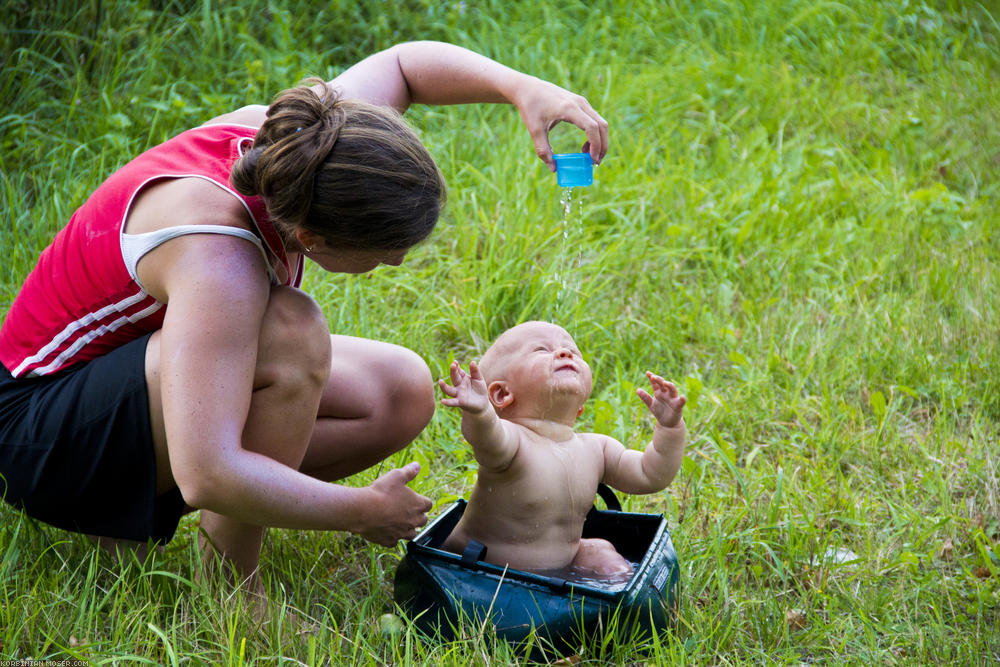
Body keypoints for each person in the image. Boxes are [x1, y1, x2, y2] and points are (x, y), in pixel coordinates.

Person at [0, 42, 609, 593]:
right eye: (383, 253)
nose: (394, 262)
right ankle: (231, 591)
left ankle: (139, 505)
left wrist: (522, 87)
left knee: (398, 391)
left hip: (122, 384)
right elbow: (208, 474)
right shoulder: (219, 258)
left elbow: (403, 64)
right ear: (309, 235)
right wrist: (360, 510)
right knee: (292, 333)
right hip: (38, 436)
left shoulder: (312, 145)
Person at [438, 321, 686, 578]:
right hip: (484, 575)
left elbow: (650, 474)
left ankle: (618, 603)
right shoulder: (512, 440)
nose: (564, 353)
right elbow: (486, 438)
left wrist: (669, 429)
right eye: (541, 350)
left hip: (563, 568)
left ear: (581, 405)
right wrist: (479, 412)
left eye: (572, 351)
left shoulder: (597, 449)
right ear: (501, 395)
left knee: (602, 552)